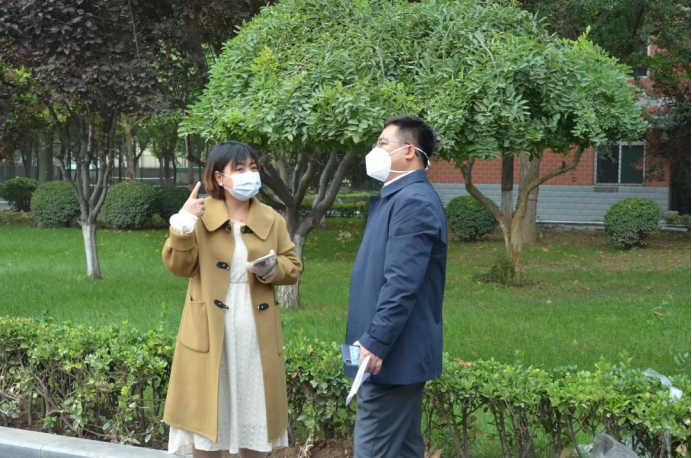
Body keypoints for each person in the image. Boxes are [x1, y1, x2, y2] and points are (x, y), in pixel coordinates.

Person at [162, 141, 302, 458]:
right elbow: (179, 267)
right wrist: (182, 225)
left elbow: (293, 266)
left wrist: (272, 269)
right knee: (207, 420)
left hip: (255, 332)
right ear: (219, 177)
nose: (249, 174)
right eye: (239, 169)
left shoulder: (271, 219)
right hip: (210, 330)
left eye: (253, 168)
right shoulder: (199, 215)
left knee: (256, 416)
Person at [346, 115, 448, 458]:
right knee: (403, 450)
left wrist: (376, 342)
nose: (375, 151)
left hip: (390, 357)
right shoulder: (398, 197)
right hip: (393, 356)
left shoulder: (413, 201)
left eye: (382, 143)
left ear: (409, 151)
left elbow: (402, 284)